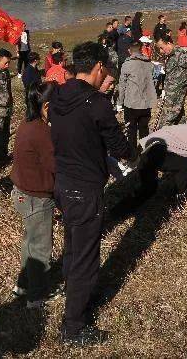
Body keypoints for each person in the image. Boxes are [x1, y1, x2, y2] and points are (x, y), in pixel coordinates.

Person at [49, 42, 134, 346]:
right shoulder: (97, 103)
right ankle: (73, 327)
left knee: (73, 246)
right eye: (106, 70)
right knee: (86, 257)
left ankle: (71, 289)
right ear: (99, 66)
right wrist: (133, 151)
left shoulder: (57, 94)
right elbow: (120, 147)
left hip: (61, 184)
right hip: (85, 189)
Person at [10, 82, 59, 309]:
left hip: (22, 194)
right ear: (46, 106)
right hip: (36, 198)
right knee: (40, 248)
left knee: (29, 243)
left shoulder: (27, 123)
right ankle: (37, 297)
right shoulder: (42, 132)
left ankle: (23, 285)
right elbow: (55, 165)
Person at [116, 41, 156, 152]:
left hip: (131, 104)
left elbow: (122, 85)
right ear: (141, 49)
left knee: (131, 131)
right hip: (146, 103)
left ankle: (133, 156)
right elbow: (154, 82)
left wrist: (119, 102)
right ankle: (145, 153)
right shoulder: (149, 64)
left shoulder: (127, 64)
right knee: (144, 129)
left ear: (129, 51)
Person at [154, 33, 187, 130]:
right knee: (179, 117)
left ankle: (162, 137)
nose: (161, 51)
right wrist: (165, 89)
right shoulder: (170, 55)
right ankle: (181, 134)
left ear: (168, 43)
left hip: (176, 93)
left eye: (162, 48)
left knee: (166, 121)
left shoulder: (179, 55)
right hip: (171, 92)